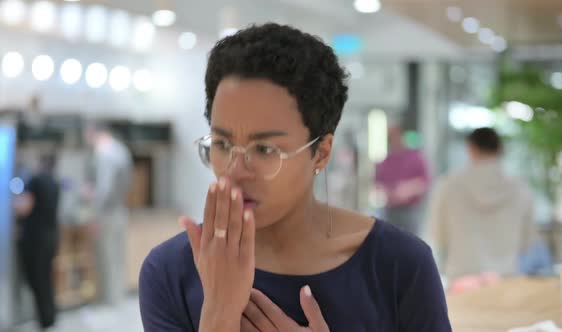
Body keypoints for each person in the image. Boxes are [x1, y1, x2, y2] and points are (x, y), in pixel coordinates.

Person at [139, 23, 451, 331]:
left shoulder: (399, 265)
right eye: (222, 144)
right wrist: (219, 311)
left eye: (264, 149)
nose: (235, 171)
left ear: (322, 152)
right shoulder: (171, 270)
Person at [427, 127, 537, 286]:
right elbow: (527, 242)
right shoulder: (521, 189)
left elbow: (437, 235)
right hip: (506, 280)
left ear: (470, 148)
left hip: (462, 281)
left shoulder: (447, 185)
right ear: (500, 149)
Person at [83, 122, 132, 305]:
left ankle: (109, 302)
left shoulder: (104, 153)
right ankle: (117, 298)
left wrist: (94, 213)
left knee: (106, 259)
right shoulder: (121, 150)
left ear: (94, 133)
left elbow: (105, 188)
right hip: (120, 211)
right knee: (117, 257)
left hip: (107, 214)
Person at [14, 153, 61, 330]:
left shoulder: (35, 181)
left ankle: (44, 320)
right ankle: (50, 317)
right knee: (46, 279)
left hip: (35, 240)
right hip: (51, 237)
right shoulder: (54, 183)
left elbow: (25, 207)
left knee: (37, 281)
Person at [374, 124, 429, 235]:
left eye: (395, 136)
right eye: (390, 137)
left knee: (412, 244)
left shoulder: (415, 157)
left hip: (410, 210)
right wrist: (389, 192)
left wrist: (408, 189)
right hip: (390, 210)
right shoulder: (386, 161)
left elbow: (424, 182)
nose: (393, 140)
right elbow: (378, 184)